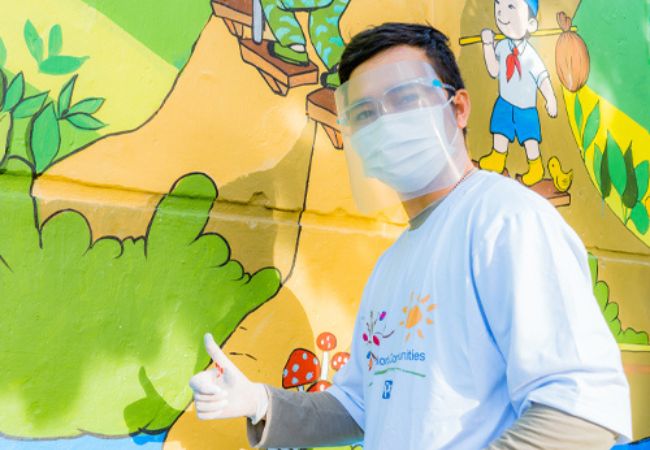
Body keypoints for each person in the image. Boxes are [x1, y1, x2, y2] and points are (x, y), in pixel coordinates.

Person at [189, 23, 632, 449]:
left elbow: (580, 410)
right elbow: (361, 406)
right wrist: (261, 403)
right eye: (364, 114)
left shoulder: (506, 221)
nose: (384, 123)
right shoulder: (392, 264)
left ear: (458, 109)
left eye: (404, 98)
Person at [478, 0, 557, 186]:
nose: (500, 13)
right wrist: (487, 46)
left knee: (529, 138)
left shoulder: (530, 55)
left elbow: (542, 78)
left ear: (531, 24)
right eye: (499, 5)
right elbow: (494, 70)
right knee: (500, 128)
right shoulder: (503, 47)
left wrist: (550, 98)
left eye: (511, 7)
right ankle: (497, 156)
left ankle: (535, 165)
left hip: (525, 107)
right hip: (505, 101)